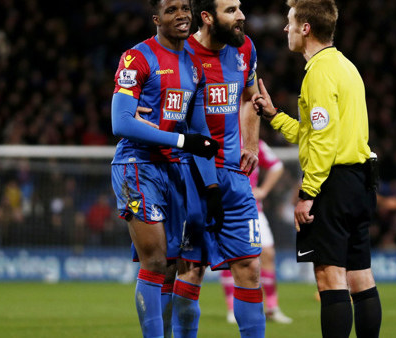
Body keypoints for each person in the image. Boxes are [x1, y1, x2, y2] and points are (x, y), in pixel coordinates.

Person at [252, 1, 382, 336]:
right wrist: (275, 116)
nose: (286, 28)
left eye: (290, 21)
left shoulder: (319, 73)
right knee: (359, 274)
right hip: (358, 180)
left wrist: (308, 193)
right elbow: (316, 133)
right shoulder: (345, 66)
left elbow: (322, 142)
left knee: (329, 277)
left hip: (333, 185)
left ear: (305, 28)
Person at [143, 1, 265, 337]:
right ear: (208, 17)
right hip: (191, 176)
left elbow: (252, 98)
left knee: (250, 268)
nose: (242, 16)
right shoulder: (183, 55)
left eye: (241, 8)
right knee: (189, 272)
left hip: (234, 179)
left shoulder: (245, 49)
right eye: (232, 10)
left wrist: (251, 144)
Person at [109, 1, 222, 336]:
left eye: (185, 7)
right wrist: (182, 142)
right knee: (156, 262)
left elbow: (199, 132)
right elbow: (121, 121)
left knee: (171, 268)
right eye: (172, 10)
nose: (182, 15)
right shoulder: (137, 57)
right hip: (137, 166)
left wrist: (212, 187)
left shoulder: (194, 64)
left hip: (173, 171)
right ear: (156, 19)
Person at [221, 139, 293, 324]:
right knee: (230, 257)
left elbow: (276, 166)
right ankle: (232, 309)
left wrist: (263, 190)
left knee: (268, 253)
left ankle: (271, 307)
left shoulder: (257, 144)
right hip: (226, 208)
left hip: (254, 210)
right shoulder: (221, 140)